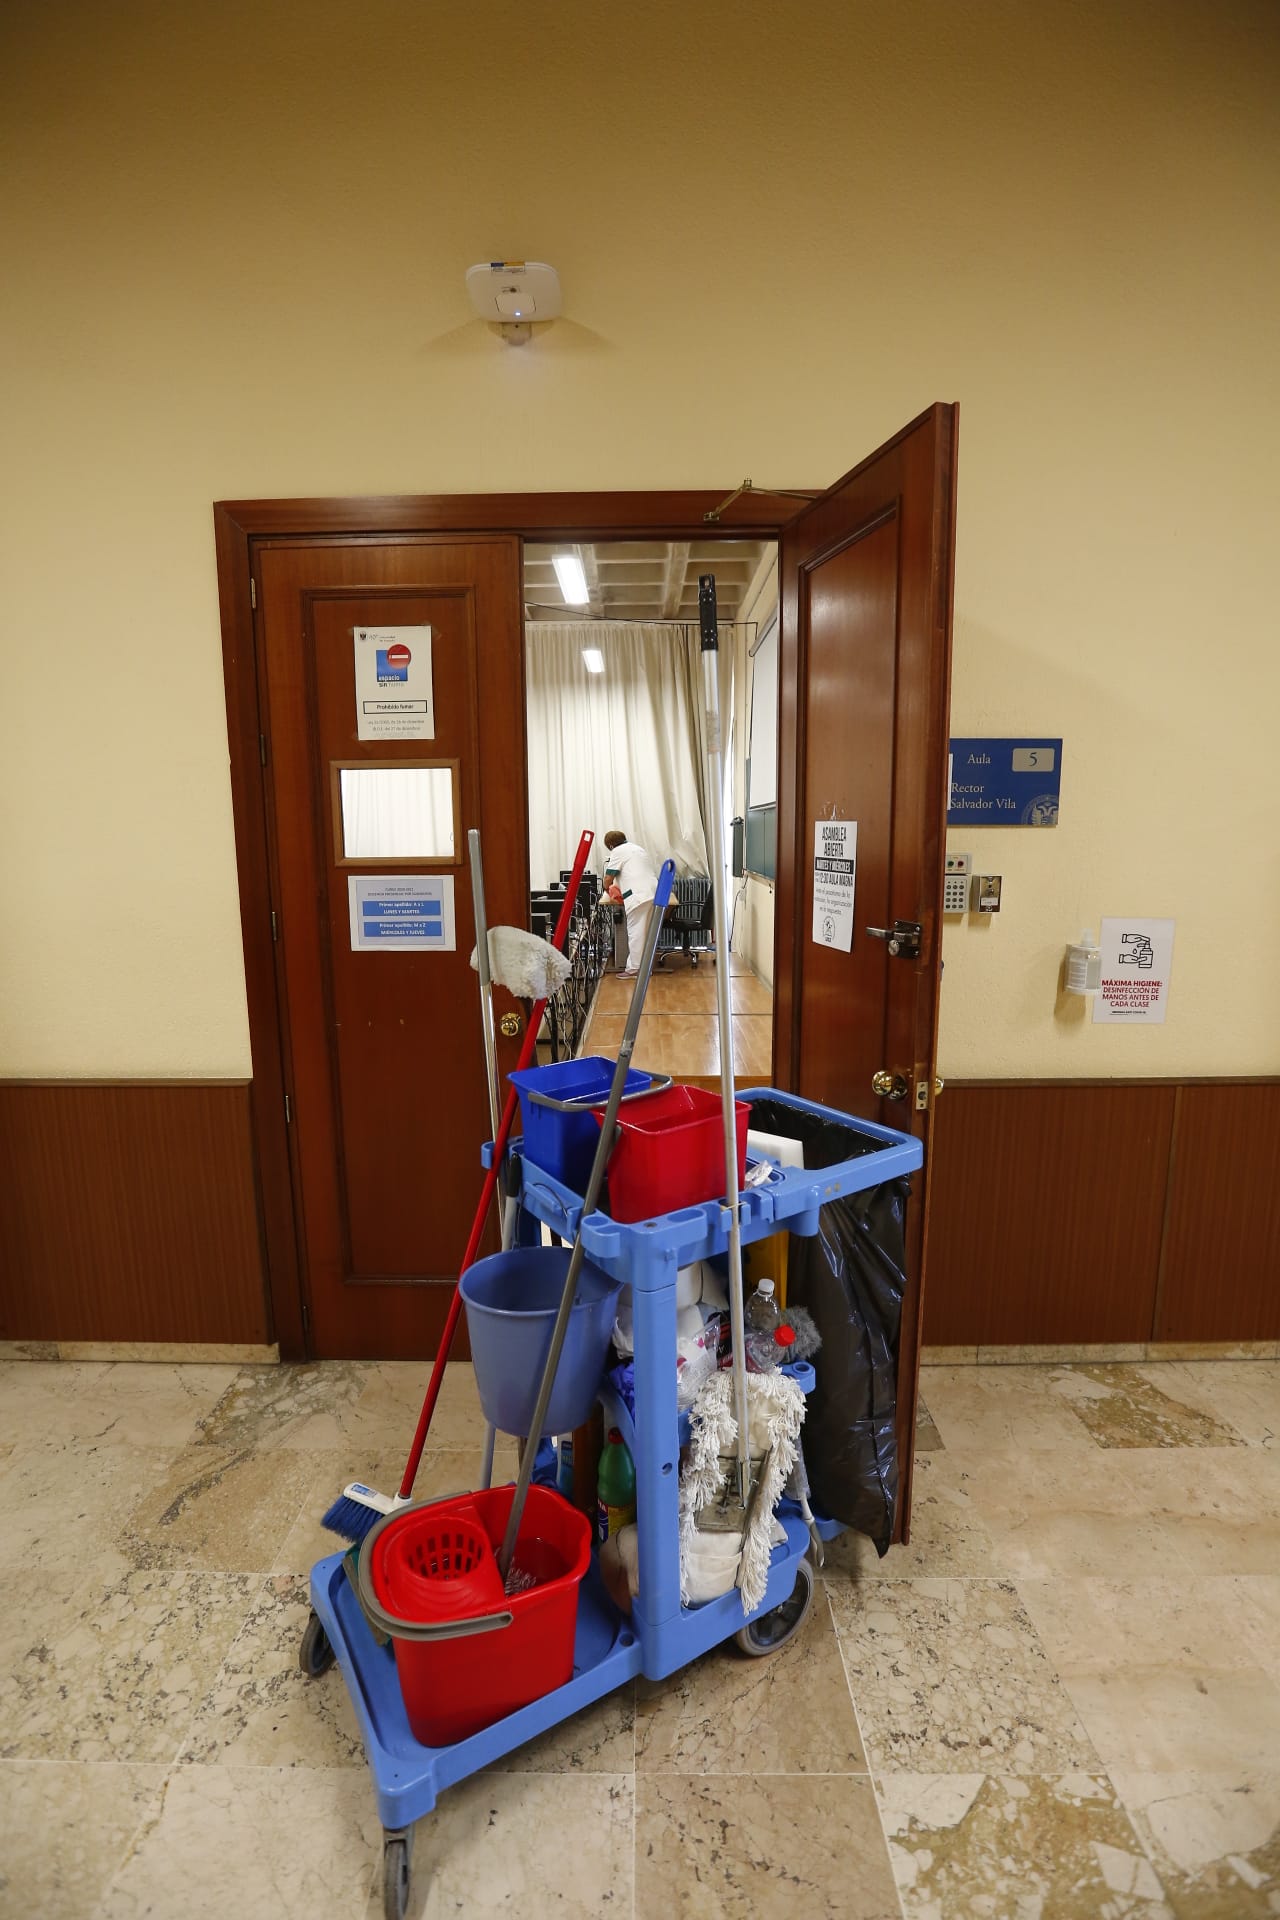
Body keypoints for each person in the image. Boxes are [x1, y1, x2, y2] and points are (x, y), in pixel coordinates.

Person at [602, 830, 659, 977]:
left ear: (610, 845)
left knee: (636, 932)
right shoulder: (637, 849)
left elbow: (608, 878)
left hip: (638, 896)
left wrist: (606, 888)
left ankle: (635, 969)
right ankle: (645, 968)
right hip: (652, 892)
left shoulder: (618, 851)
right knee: (645, 932)